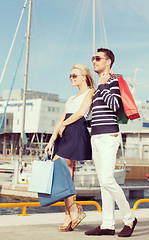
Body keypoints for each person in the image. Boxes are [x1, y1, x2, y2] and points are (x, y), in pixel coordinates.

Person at [85, 48, 137, 237]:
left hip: (109, 136)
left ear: (108, 62)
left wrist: (102, 86)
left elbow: (115, 105)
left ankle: (129, 219)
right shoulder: (100, 84)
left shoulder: (112, 81)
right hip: (96, 137)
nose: (94, 61)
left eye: (98, 58)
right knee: (103, 183)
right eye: (93, 58)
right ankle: (107, 224)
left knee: (108, 179)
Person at [45, 64, 95, 232]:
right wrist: (51, 140)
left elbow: (81, 113)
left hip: (76, 131)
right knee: (66, 174)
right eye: (70, 76)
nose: (71, 78)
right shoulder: (71, 98)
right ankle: (69, 213)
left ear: (83, 76)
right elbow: (61, 119)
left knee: (63, 170)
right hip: (64, 133)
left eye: (74, 75)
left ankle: (73, 210)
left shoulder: (90, 92)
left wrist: (64, 125)